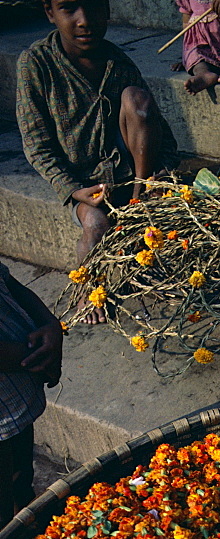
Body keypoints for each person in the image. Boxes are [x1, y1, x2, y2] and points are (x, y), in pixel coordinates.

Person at [16, 0, 179, 323]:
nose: (84, 21)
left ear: (106, 11)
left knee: (137, 100)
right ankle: (87, 291)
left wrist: (157, 177)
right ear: (50, 13)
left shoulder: (117, 62)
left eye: (92, 8)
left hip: (131, 175)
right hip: (83, 183)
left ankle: (139, 195)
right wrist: (74, 190)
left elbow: (164, 136)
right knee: (95, 225)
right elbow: (36, 146)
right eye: (69, 9)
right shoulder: (36, 64)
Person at [0, 262, 63, 530]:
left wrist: (50, 324)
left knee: (20, 478)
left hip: (13, 398)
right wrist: (37, 360)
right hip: (13, 378)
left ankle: (27, 530)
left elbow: (10, 286)